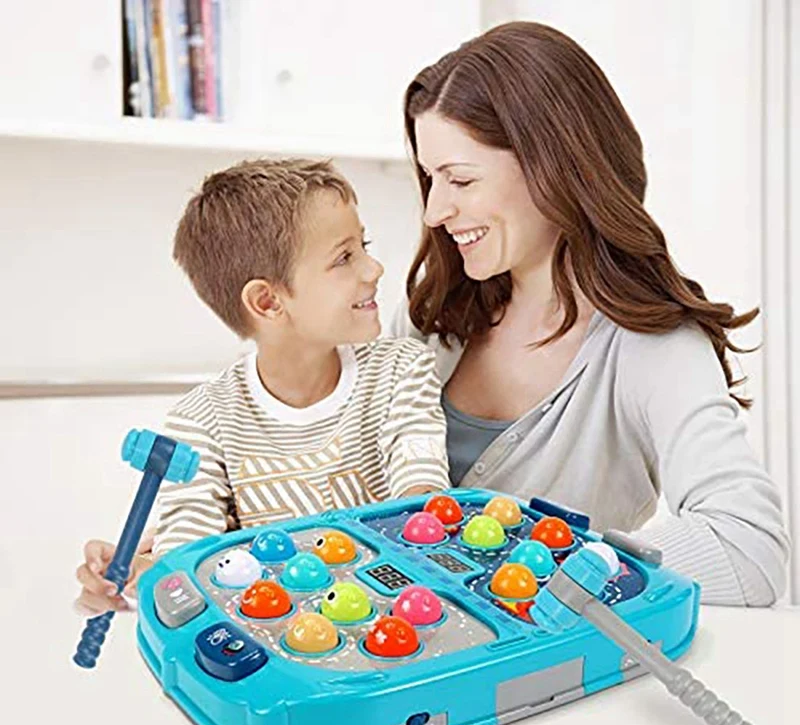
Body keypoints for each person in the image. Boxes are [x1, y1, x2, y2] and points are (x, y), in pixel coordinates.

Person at [389, 21, 789, 606]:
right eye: (430, 178)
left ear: (553, 166)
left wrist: (547, 564)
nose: (435, 210)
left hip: (551, 663)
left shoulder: (651, 347)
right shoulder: (429, 318)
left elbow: (750, 549)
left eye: (461, 179)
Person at [75, 158, 449, 616]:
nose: (373, 268)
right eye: (344, 257)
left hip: (400, 627)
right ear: (268, 301)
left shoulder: (402, 371)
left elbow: (422, 494)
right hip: (274, 642)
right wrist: (144, 574)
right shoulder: (201, 421)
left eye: (363, 246)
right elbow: (187, 554)